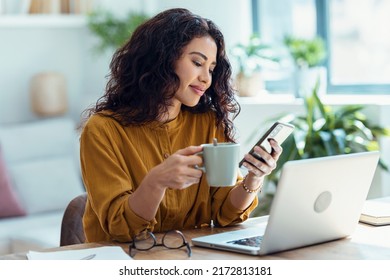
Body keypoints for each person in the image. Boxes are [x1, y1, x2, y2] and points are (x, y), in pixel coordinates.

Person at [79, 8, 282, 243]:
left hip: (190, 257)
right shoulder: (103, 130)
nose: (207, 78)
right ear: (162, 59)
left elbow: (227, 214)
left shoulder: (208, 122)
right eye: (197, 62)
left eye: (212, 69)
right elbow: (121, 228)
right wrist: (157, 181)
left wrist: (253, 178)